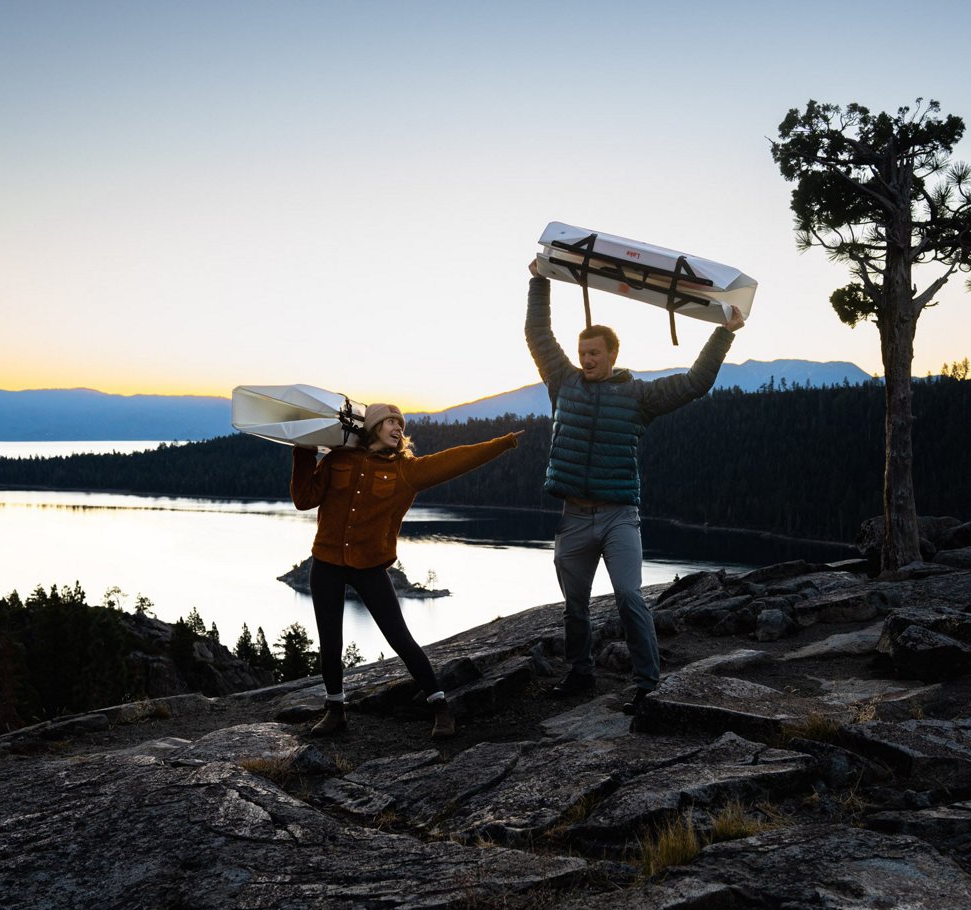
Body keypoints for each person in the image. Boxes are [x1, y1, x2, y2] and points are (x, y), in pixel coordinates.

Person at [525, 261, 745, 713]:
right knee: (575, 605)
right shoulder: (562, 382)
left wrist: (725, 332)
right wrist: (540, 280)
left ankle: (648, 683)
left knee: (628, 595)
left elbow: (695, 383)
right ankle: (580, 671)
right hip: (573, 515)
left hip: (618, 516)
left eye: (595, 352)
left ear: (612, 355)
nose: (586, 358)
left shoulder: (638, 398)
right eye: (582, 351)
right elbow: (538, 335)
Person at [291, 402, 521, 739]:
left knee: (400, 638)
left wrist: (500, 443)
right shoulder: (338, 459)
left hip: (369, 565)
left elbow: (454, 460)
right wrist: (304, 451)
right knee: (330, 641)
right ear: (371, 428)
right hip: (325, 561)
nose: (397, 428)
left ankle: (440, 707)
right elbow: (303, 498)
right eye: (389, 422)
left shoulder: (406, 471)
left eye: (399, 424)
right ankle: (335, 710)